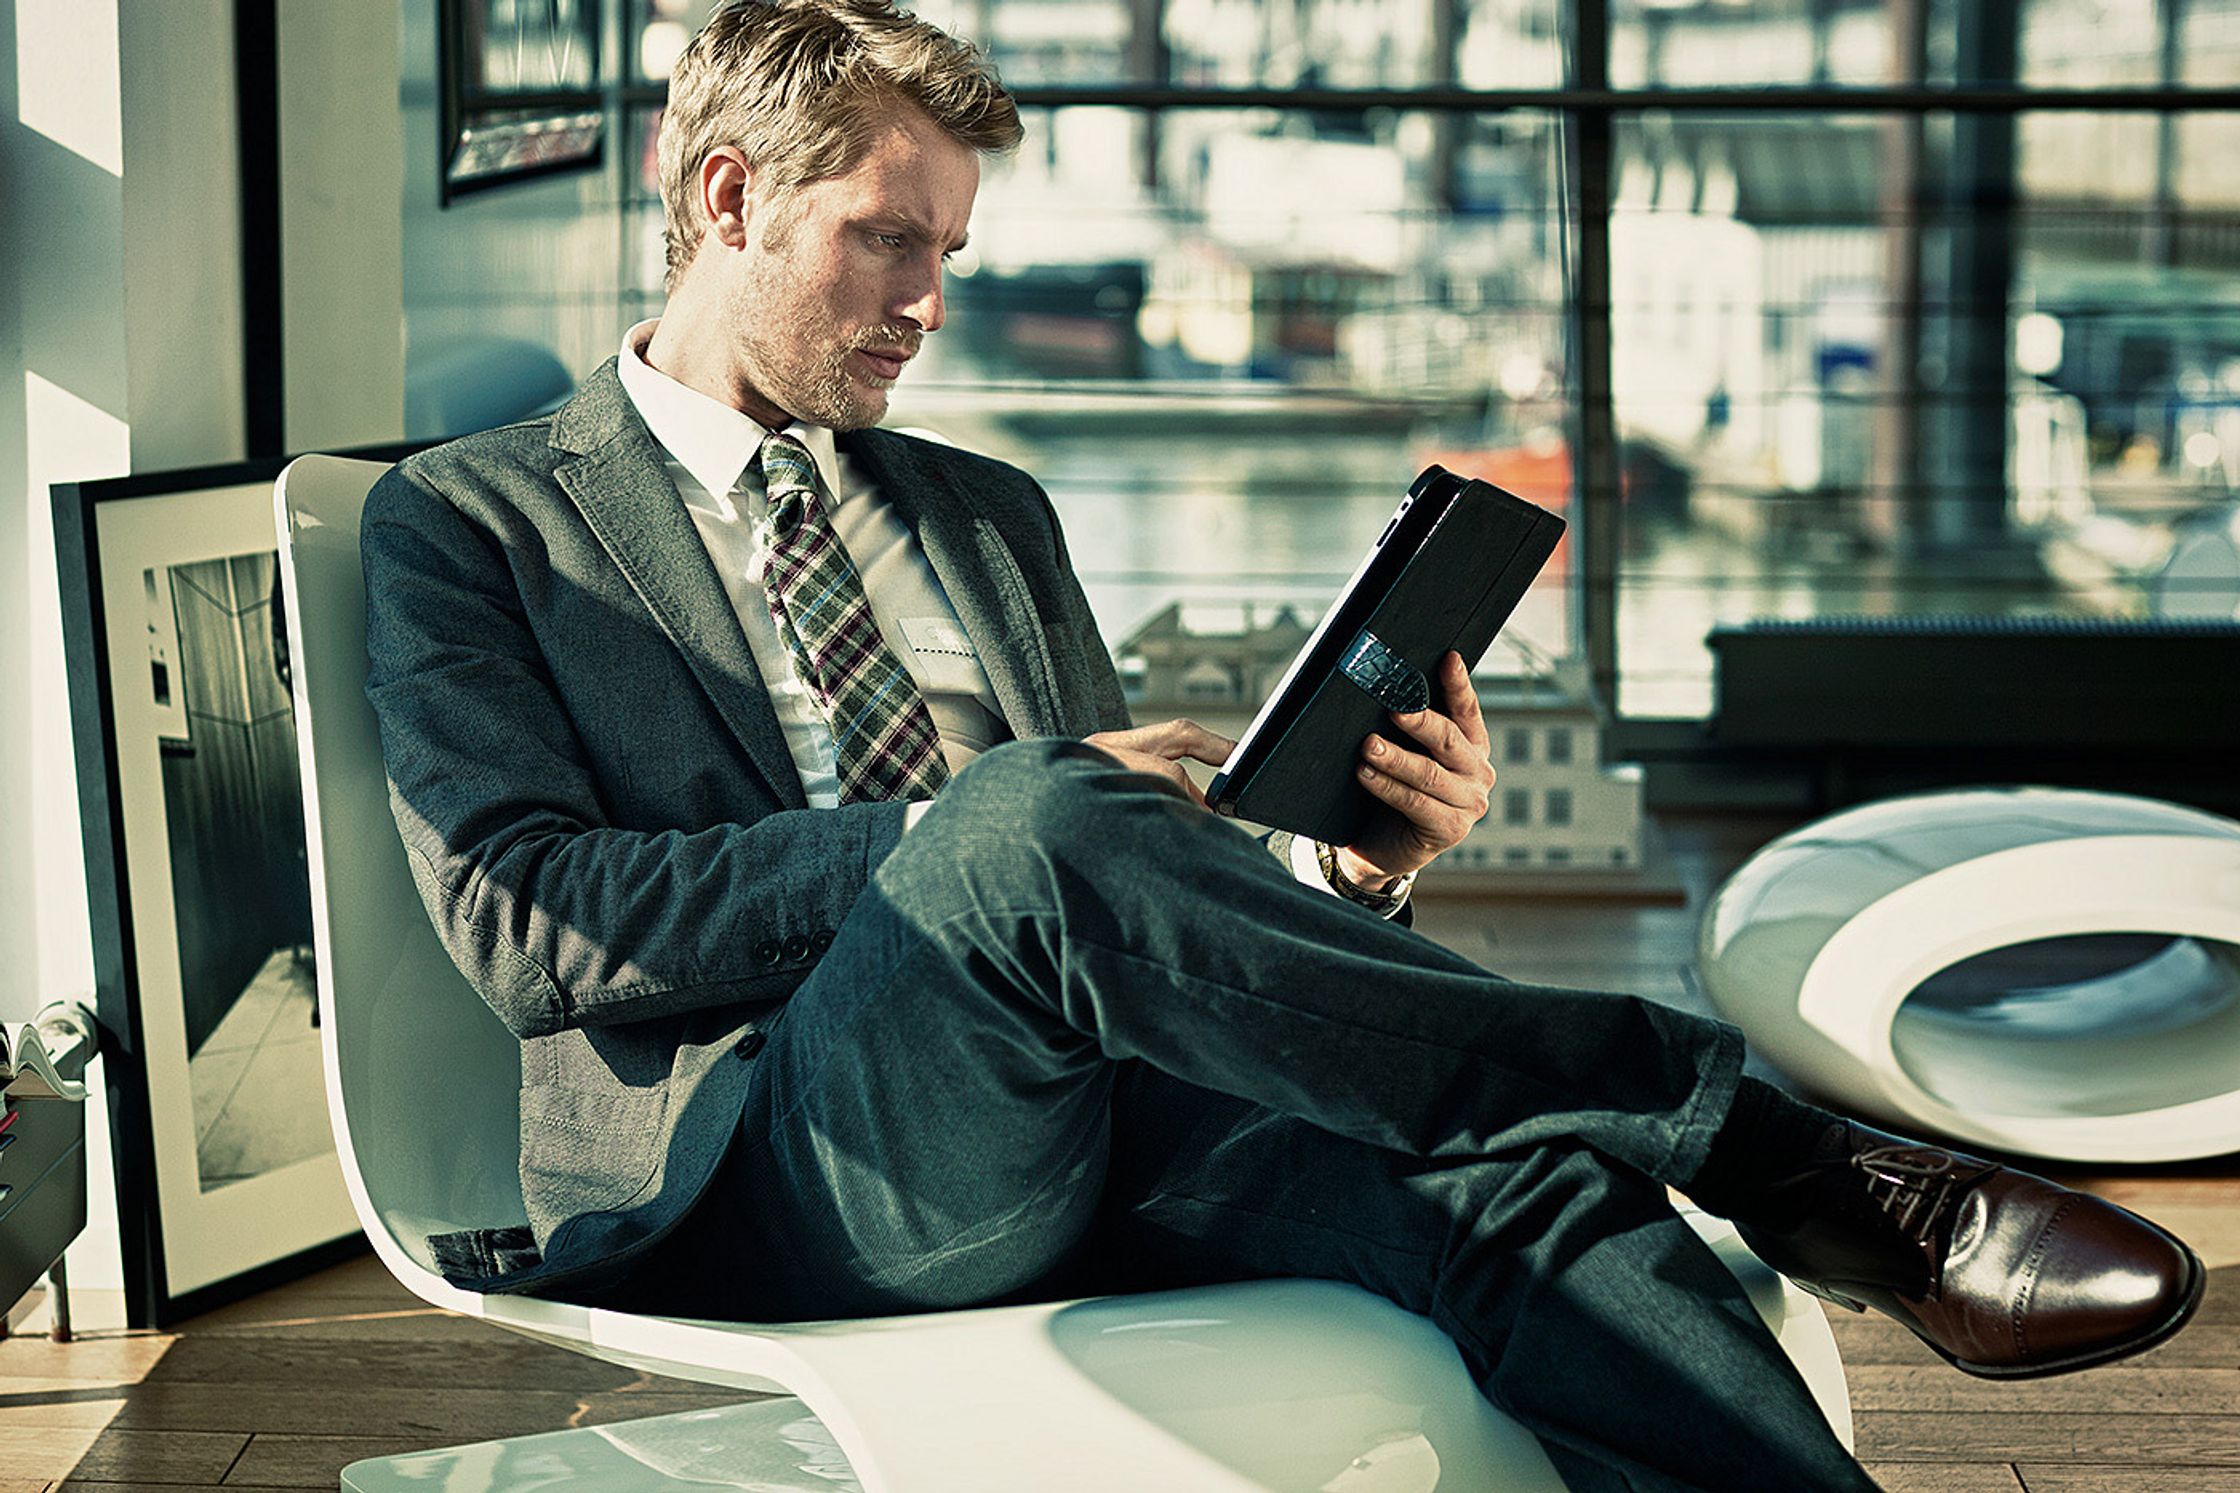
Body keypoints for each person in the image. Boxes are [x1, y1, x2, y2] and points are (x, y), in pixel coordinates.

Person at [360, 3, 2203, 1487]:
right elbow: (532, 927)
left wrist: (1338, 860)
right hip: (776, 1165)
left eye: (954, 250)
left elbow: (1109, 896)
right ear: (729, 193)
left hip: (1102, 1112)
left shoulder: (984, 509)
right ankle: (1790, 1156)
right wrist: (954, 838)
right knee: (1018, 820)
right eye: (887, 240)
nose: (930, 300)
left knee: (1525, 1174)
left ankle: (1730, 1196)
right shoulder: (476, 522)